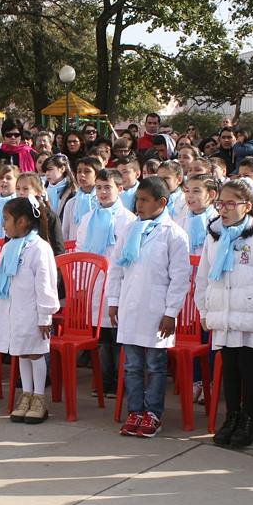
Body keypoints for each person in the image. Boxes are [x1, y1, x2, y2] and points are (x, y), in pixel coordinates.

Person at [195, 180, 253, 448]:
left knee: (248, 368)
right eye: (220, 203)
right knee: (230, 368)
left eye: (231, 204)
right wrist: (204, 308)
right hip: (223, 313)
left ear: (247, 206)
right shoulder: (214, 235)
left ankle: (249, 420)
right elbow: (203, 277)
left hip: (251, 313)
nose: (224, 209)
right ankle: (232, 416)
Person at [108, 177, 192, 437]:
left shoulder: (174, 234)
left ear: (162, 202)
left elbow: (179, 278)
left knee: (155, 366)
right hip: (131, 307)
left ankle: (153, 413)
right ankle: (135, 411)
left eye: (144, 200)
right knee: (132, 365)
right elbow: (117, 269)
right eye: (138, 199)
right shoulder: (129, 229)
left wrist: (170, 313)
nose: (139, 204)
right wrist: (113, 301)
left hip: (157, 311)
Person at [0, 197, 60, 424]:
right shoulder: (9, 247)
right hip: (14, 310)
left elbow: (46, 285)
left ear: (22, 222)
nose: (3, 224)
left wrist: (45, 315)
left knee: (35, 352)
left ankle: (40, 398)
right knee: (22, 351)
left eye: (6, 219)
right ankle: (27, 395)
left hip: (33, 311)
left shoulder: (40, 248)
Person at [77, 168, 135, 397]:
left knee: (117, 335)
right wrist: (81, 284)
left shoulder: (129, 220)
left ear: (120, 189)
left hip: (117, 282)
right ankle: (104, 381)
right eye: (99, 187)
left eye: (107, 187)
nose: (102, 192)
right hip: (94, 284)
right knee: (101, 337)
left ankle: (120, 381)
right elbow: (81, 252)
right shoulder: (88, 218)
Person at [61, 156, 99, 243]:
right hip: (75, 250)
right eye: (79, 171)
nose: (82, 175)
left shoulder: (101, 202)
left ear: (96, 175)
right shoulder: (71, 203)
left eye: (87, 171)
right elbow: (65, 232)